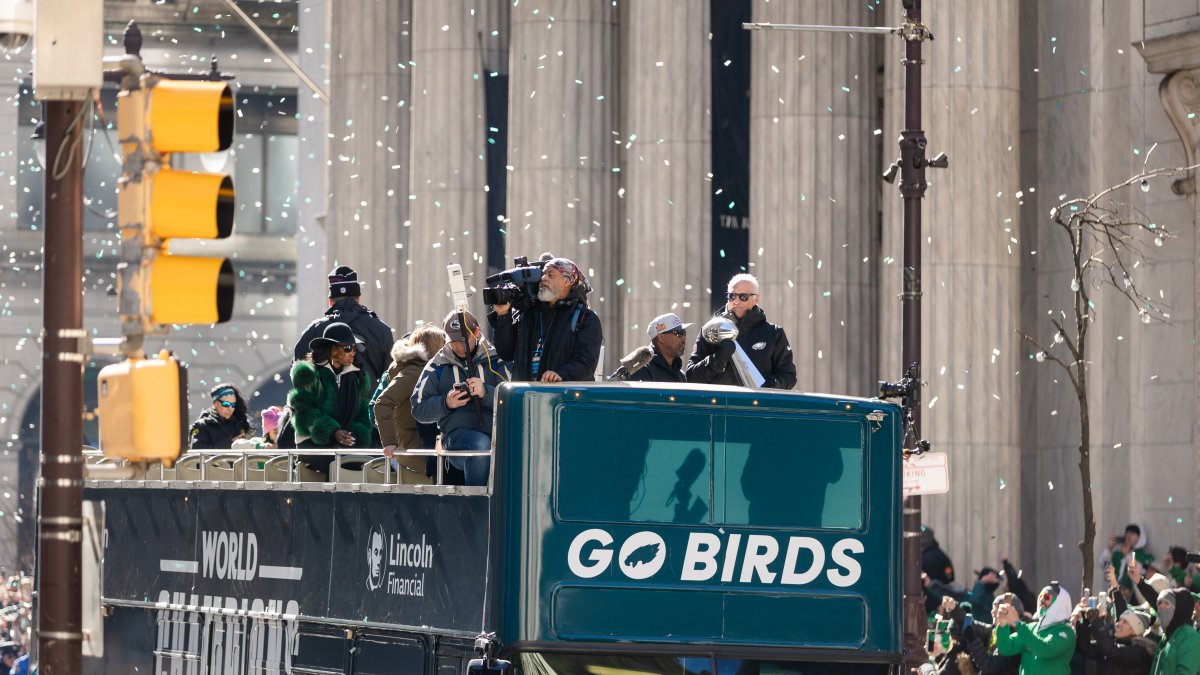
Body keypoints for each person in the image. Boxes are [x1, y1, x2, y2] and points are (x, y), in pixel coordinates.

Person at [411, 311, 511, 486]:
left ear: (477, 333)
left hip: (498, 436)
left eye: (464, 340)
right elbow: (418, 409)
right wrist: (446, 403)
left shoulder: (497, 360)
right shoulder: (436, 366)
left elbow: (515, 402)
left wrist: (486, 393)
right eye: (453, 341)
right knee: (480, 444)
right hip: (455, 438)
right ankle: (476, 499)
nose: (458, 346)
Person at [488, 257, 602, 383]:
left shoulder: (585, 318)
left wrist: (561, 374)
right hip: (524, 394)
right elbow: (506, 353)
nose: (543, 278)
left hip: (561, 394)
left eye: (550, 275)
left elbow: (586, 362)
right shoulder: (529, 314)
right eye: (543, 274)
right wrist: (503, 315)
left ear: (568, 281)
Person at [288, 322, 375, 477]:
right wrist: (332, 431)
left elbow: (362, 411)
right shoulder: (308, 373)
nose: (352, 353)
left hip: (344, 445)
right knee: (347, 465)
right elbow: (304, 411)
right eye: (347, 348)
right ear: (332, 348)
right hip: (311, 443)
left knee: (372, 464)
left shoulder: (357, 377)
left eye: (354, 349)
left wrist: (353, 434)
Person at [684, 273, 796, 389]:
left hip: (757, 400)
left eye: (743, 297)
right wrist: (717, 359)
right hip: (717, 400)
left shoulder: (774, 333)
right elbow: (691, 377)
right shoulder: (710, 330)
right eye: (732, 296)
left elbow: (789, 376)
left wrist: (766, 385)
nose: (736, 301)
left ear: (756, 299)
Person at [293, 265, 395, 388]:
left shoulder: (315, 330)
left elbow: (299, 373)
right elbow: (390, 377)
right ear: (358, 299)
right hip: (368, 399)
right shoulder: (381, 330)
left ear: (330, 302)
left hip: (326, 400)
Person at [373, 324, 447, 484]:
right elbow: (382, 403)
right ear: (435, 348)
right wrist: (389, 443)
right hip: (416, 448)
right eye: (444, 344)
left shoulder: (426, 370)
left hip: (425, 445)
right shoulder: (415, 372)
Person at [994, 583, 1077, 675]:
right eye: (1040, 596)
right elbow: (1005, 647)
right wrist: (1003, 624)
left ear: (1059, 603)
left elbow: (1044, 650)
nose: (1042, 600)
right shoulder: (1032, 627)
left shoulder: (1066, 633)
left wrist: (1017, 623)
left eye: (1047, 597)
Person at [1073, 601, 1155, 675]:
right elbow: (1086, 648)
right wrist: (1084, 620)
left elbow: (1113, 652)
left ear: (1135, 630)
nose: (1117, 624)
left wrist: (1097, 623)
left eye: (1125, 622)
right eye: (1120, 620)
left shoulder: (1141, 652)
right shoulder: (1114, 644)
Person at [622, 312, 691, 383]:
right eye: (679, 333)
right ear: (661, 337)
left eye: (684, 333)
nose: (684, 339)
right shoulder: (641, 371)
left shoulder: (681, 376)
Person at [1150, 588, 1198, 675]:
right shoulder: (1167, 635)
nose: (1161, 607)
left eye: (1167, 603)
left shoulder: (1190, 637)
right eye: (1159, 603)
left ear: (1179, 608)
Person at [188, 384, 252, 450]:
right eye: (226, 404)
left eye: (233, 405)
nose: (230, 409)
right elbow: (196, 450)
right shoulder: (202, 426)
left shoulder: (238, 424)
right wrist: (230, 443)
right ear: (215, 403)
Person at [1102, 523, 1155, 590]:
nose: (1128, 535)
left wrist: (1127, 555)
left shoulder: (1145, 555)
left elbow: (1144, 571)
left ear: (1139, 537)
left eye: (1132, 533)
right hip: (1116, 589)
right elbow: (1103, 564)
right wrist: (1109, 549)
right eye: (1127, 533)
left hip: (1136, 591)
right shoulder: (1118, 553)